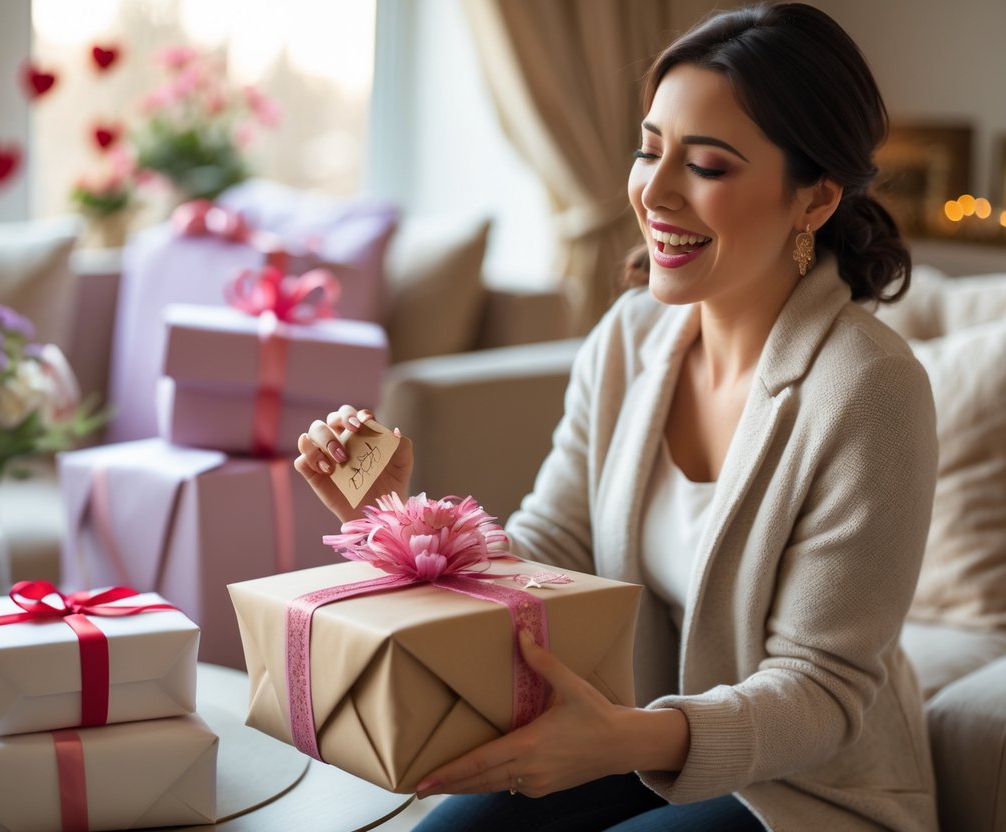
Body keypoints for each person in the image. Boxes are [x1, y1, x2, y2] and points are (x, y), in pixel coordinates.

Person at [294, 4, 939, 830]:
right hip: (622, 736)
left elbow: (820, 690)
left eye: (706, 164)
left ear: (812, 199)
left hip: (799, 787)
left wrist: (619, 741)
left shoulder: (870, 388)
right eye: (649, 148)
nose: (654, 190)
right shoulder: (630, 336)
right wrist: (395, 517)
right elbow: (553, 555)